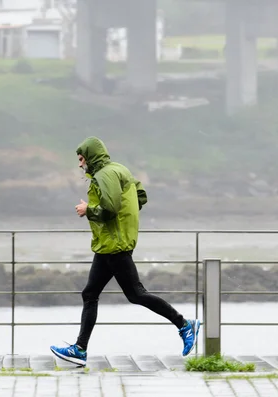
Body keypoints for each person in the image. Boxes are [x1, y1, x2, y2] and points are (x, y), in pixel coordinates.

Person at [50, 136, 200, 367]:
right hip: (109, 245)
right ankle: (79, 349)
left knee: (136, 294)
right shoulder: (120, 170)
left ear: (90, 156)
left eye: (81, 159)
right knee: (90, 294)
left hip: (115, 245)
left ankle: (184, 324)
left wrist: (88, 210)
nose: (80, 165)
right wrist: (125, 218)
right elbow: (140, 197)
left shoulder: (104, 175)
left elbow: (110, 209)